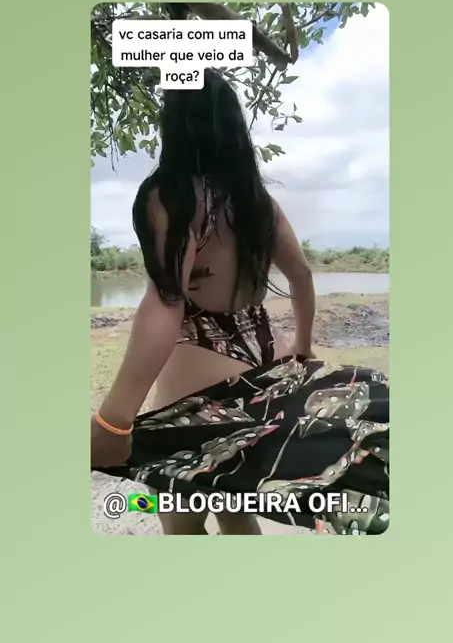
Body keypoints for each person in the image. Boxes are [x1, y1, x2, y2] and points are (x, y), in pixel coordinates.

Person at [91, 68, 389, 535]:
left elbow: (167, 301)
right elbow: (301, 276)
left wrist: (114, 420)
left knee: (181, 513)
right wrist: (303, 345)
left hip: (199, 351)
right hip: (264, 350)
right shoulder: (258, 201)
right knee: (234, 502)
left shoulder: (170, 196)